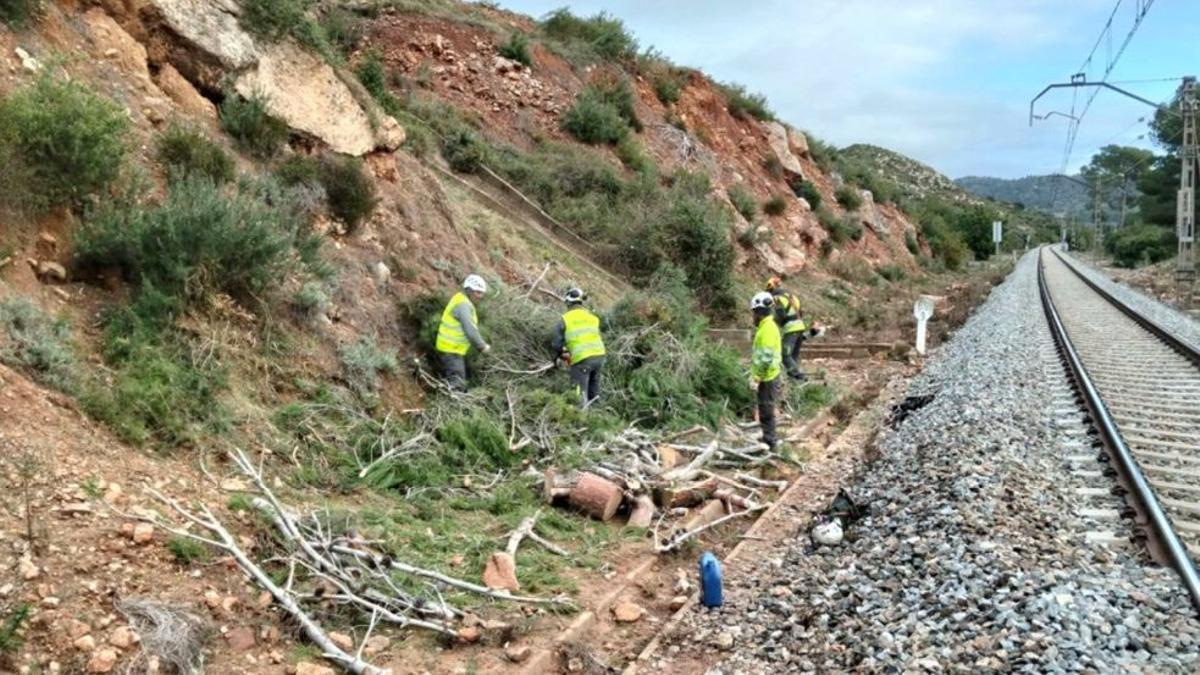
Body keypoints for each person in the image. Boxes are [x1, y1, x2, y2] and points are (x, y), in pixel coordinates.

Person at [551, 287, 606, 408]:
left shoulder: (565, 319)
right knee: (594, 391)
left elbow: (556, 344)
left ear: (568, 302)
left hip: (582, 360)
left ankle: (578, 416)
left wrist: (560, 355)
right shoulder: (593, 318)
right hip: (600, 356)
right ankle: (597, 417)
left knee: (579, 393)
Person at [435, 274, 491, 390]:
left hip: (451, 349)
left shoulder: (460, 299)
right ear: (469, 290)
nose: (480, 296)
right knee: (457, 385)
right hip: (452, 351)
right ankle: (451, 406)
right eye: (478, 292)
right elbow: (470, 330)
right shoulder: (463, 305)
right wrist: (482, 346)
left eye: (482, 293)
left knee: (454, 381)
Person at [750, 291, 782, 451]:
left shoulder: (767, 328)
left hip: (768, 377)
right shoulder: (766, 327)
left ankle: (771, 444)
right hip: (767, 376)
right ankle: (769, 441)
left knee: (767, 412)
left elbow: (766, 356)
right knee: (764, 410)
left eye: (753, 313)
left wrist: (757, 377)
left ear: (758, 312)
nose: (752, 317)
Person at [766, 276, 807, 381]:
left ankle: (799, 376)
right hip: (800, 327)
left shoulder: (777, 299)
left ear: (772, 289)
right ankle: (794, 381)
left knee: (784, 354)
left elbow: (781, 315)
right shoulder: (792, 297)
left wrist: (771, 324)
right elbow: (800, 312)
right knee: (793, 356)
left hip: (791, 329)